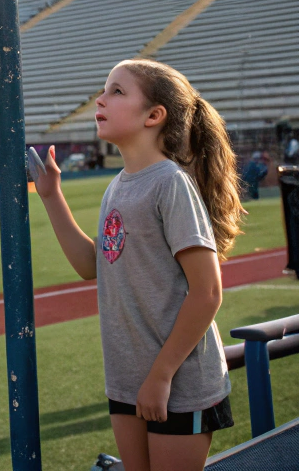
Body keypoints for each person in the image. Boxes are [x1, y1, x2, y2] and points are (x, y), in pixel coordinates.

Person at [30, 59, 244, 471]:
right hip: (127, 378)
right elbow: (92, 264)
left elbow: (208, 292)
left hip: (177, 382)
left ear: (154, 115)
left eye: (117, 91)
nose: (101, 99)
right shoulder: (118, 185)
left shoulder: (170, 183)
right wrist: (52, 196)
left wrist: (160, 376)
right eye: (105, 90)